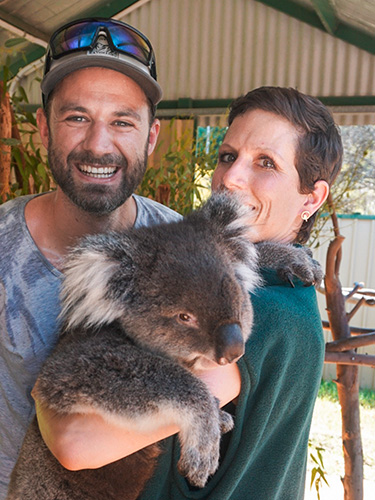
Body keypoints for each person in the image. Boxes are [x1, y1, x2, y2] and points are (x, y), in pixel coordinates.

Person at [30, 87, 342, 500]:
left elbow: (75, 443)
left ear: (312, 197)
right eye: (227, 156)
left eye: (266, 163)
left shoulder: (261, 311)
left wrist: (39, 389)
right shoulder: (271, 280)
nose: (230, 177)